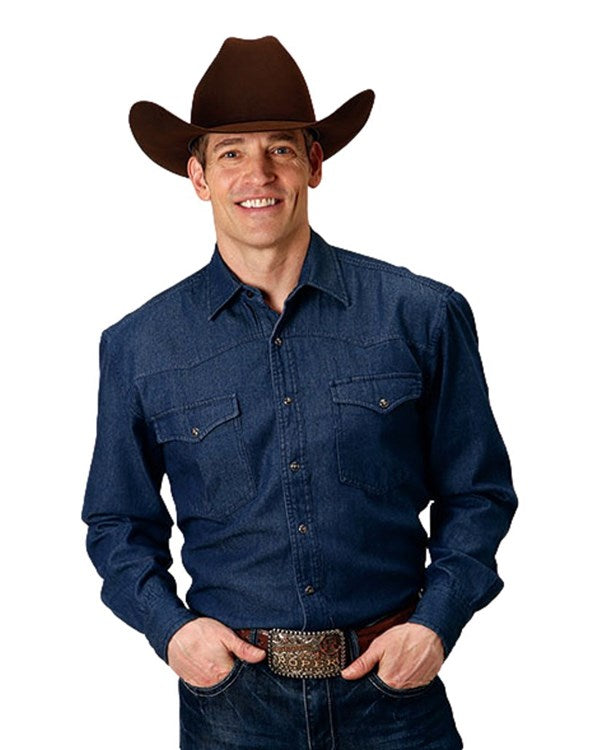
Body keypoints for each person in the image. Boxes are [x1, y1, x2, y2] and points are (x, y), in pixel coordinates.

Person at [82, 35, 518, 750]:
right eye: (230, 153)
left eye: (280, 149)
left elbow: (479, 493)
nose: (257, 173)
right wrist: (173, 632)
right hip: (233, 706)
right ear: (198, 176)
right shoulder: (139, 345)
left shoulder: (420, 315)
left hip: (393, 696)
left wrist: (436, 624)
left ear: (313, 164)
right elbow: (116, 522)